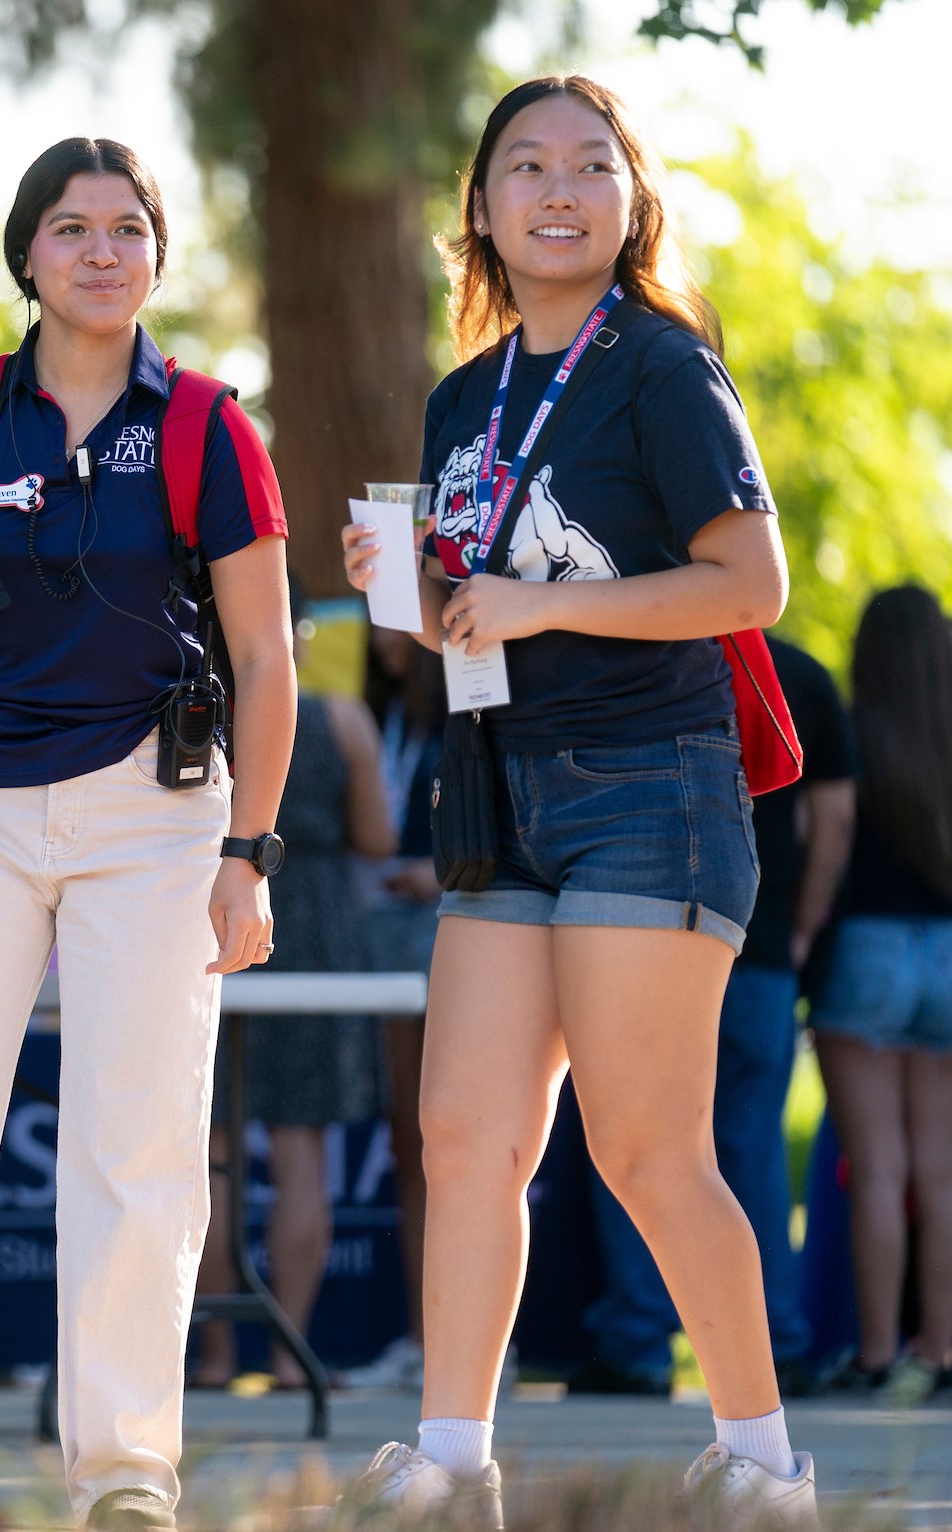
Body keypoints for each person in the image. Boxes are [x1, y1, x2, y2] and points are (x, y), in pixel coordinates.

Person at [342, 76, 816, 1523]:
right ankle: (448, 1462)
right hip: (496, 791)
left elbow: (750, 584)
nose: (556, 188)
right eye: (524, 166)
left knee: (641, 1149)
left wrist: (533, 612)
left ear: (629, 203)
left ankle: (760, 1464)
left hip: (648, 787)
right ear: (479, 208)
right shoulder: (459, 396)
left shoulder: (660, 368)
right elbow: (482, 595)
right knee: (466, 1141)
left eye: (589, 166)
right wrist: (418, 603)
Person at [0, 138, 295, 1532]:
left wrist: (246, 853)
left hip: (158, 810)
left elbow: (266, 660)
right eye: (70, 228)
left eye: (127, 228)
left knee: (135, 1146)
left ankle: (125, 1475)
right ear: (24, 254)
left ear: (156, 253)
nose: (99, 251)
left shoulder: (209, 424)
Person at [575, 632, 851, 1397]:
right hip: (758, 945)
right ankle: (779, 1342)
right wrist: (801, 922)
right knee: (749, 1149)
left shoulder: (640, 650)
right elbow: (834, 818)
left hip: (655, 932)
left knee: (633, 1144)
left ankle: (638, 1340)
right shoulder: (802, 674)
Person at [194, 584, 396, 1392]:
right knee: (300, 1151)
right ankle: (288, 1355)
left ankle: (208, 1358)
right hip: (311, 927)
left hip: (206, 917)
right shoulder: (342, 719)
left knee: (204, 1154)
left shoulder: (194, 716)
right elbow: (378, 839)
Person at [809, 585, 952, 1405]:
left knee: (877, 1169)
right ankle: (938, 1349)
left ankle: (874, 1355)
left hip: (866, 950)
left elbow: (825, 842)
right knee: (938, 1171)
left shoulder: (856, 738)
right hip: (945, 954)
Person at [342, 627, 449, 1393]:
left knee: (454, 1143)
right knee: (411, 1144)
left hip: (447, 931)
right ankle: (425, 1338)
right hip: (378, 932)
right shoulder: (376, 720)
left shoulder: (467, 713)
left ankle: (466, 1346)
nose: (386, 632)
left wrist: (439, 874)